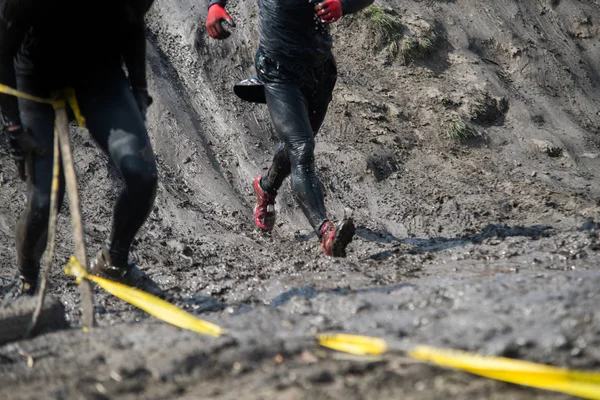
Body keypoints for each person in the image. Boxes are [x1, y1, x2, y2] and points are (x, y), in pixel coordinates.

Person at [0, 0, 161, 295]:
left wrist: (139, 88)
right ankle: (28, 281)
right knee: (44, 201)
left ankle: (114, 262)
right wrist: (12, 125)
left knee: (142, 176)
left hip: (99, 76)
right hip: (34, 83)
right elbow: (2, 49)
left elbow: (133, 22)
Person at [206, 0, 373, 257]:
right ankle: (326, 231)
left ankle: (266, 186)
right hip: (278, 72)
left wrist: (344, 5)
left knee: (298, 146)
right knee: (302, 148)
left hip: (319, 70)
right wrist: (215, 5)